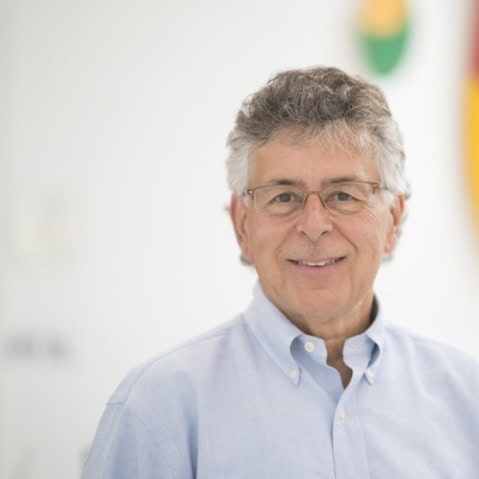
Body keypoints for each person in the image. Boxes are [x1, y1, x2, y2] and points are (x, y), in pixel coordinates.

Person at [82, 66, 479, 478]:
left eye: (343, 195)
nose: (314, 225)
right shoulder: (159, 406)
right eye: (284, 196)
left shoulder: (468, 396)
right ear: (242, 224)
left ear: (393, 220)